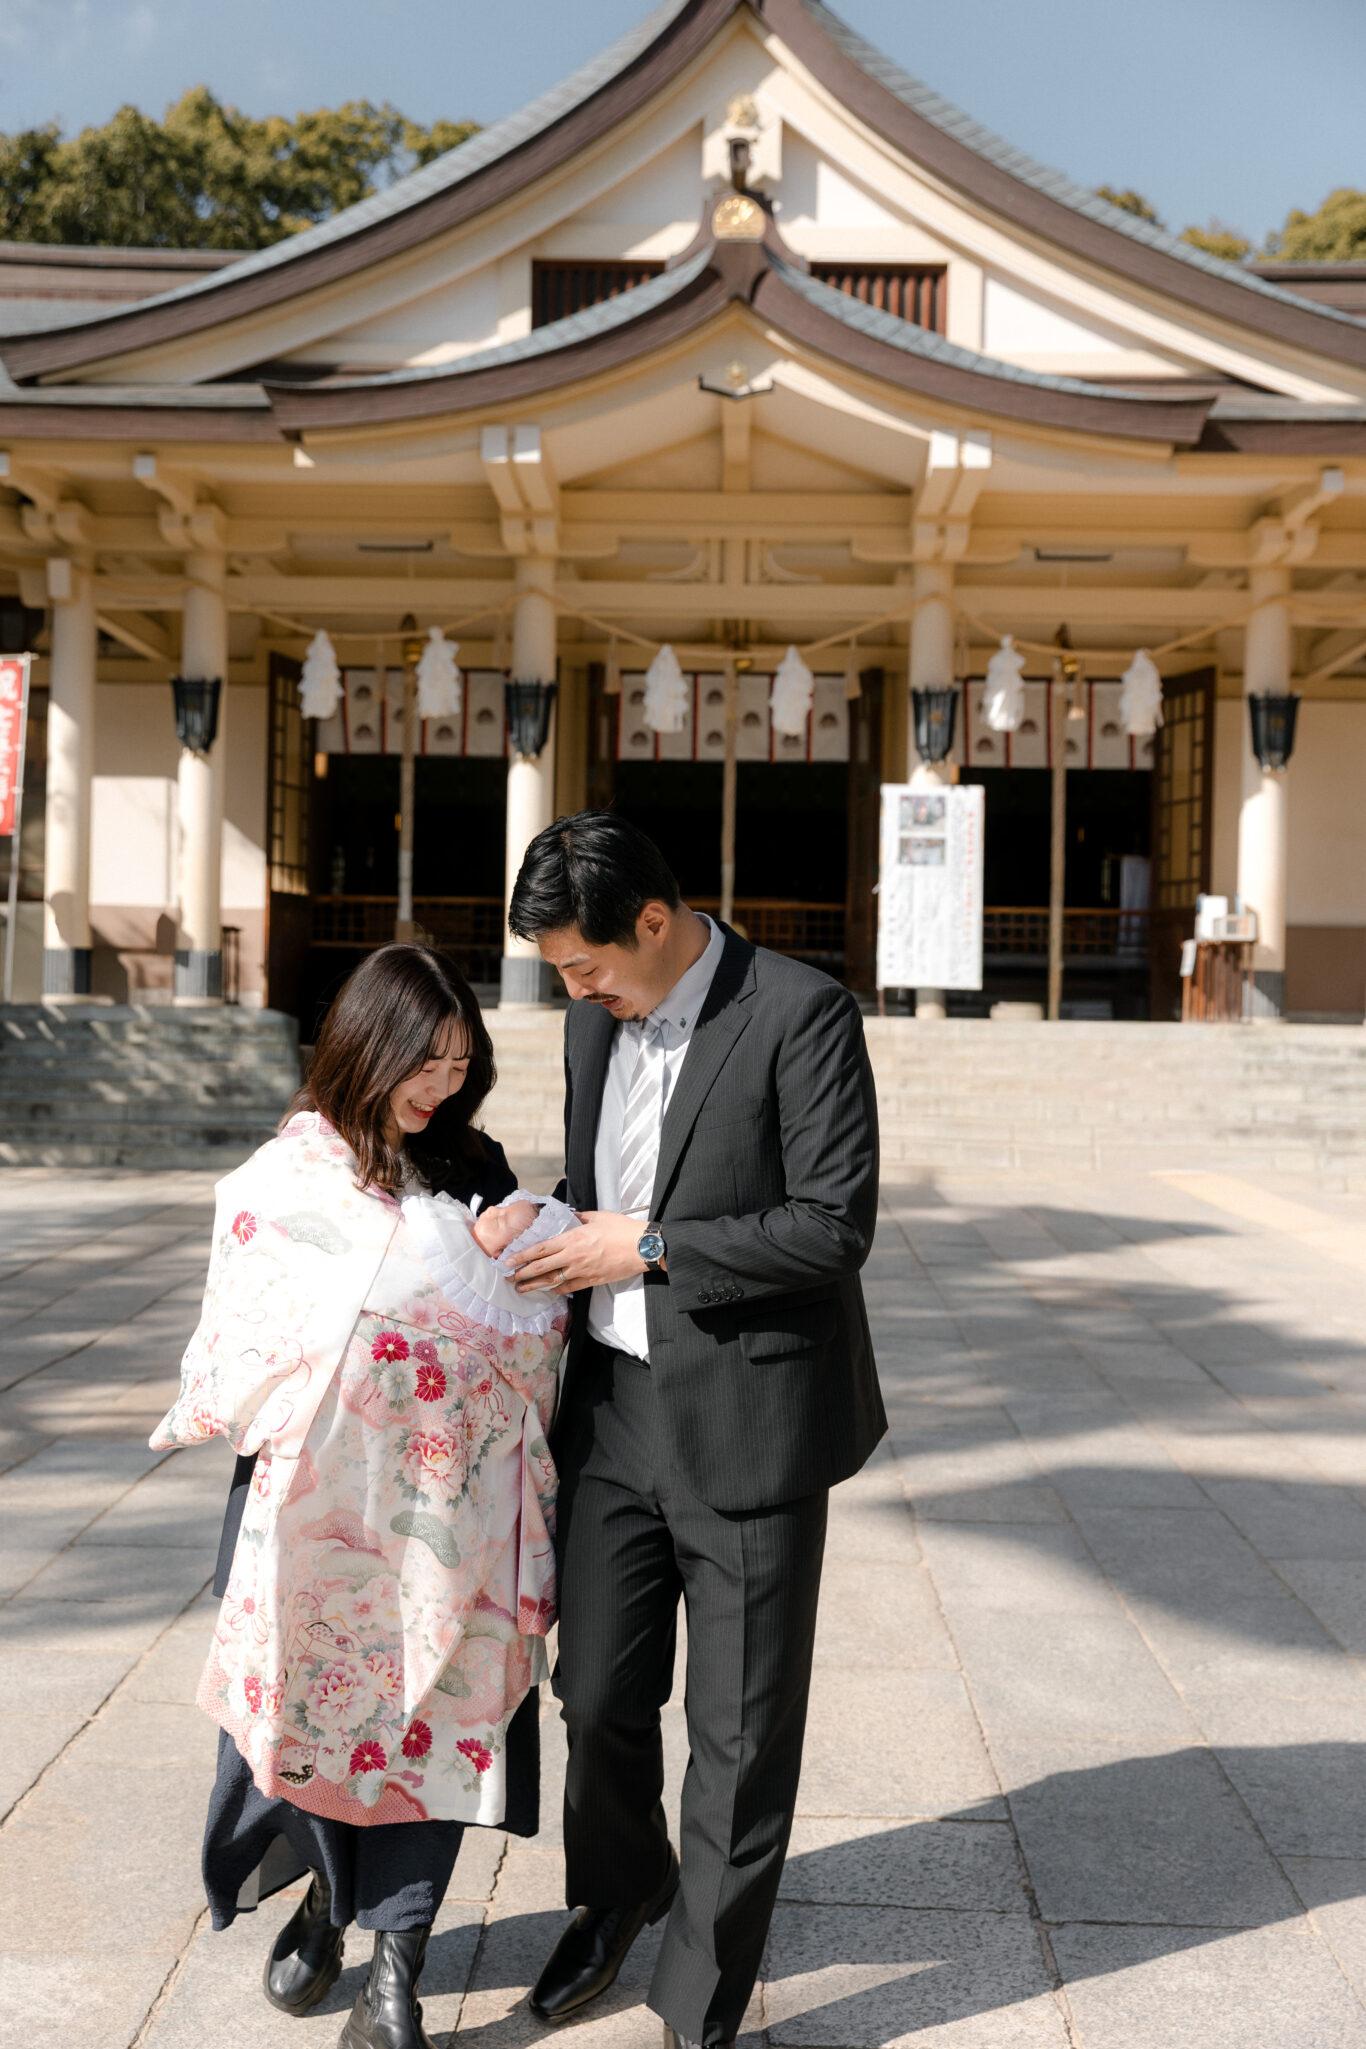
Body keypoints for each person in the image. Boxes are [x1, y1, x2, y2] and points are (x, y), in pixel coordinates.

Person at [503, 812, 885, 2049]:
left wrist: (650, 1247)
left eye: (584, 965)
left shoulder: (799, 1012)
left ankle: (698, 2004)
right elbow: (602, 1189)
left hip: (753, 1419)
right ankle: (623, 1892)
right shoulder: (586, 1029)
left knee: (737, 1729)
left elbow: (832, 1226)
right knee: (598, 1695)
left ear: (654, 923)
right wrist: (538, 1222)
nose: (575, 990)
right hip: (611, 1414)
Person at [151, 944, 566, 2049]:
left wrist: (490, 1268)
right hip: (314, 1500)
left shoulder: (474, 1162)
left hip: (447, 1519)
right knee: (301, 1708)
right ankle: (329, 1903)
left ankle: (397, 1966)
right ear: (365, 1048)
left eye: (457, 1063)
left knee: (435, 1718)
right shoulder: (293, 1172)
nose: (438, 1086)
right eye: (420, 1064)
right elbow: (257, 1314)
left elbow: (515, 1323)